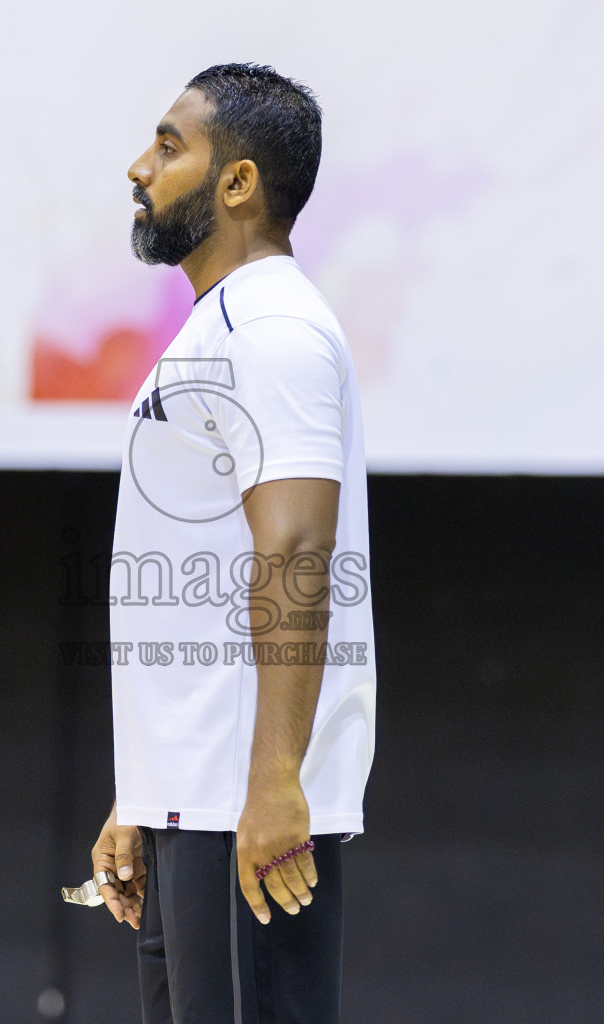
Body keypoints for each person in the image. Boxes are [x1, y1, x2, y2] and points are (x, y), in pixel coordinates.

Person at [88, 64, 377, 1023]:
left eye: (170, 146)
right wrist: (143, 790)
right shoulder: (217, 330)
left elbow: (296, 554)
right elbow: (195, 581)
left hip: (245, 818)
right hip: (195, 804)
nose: (140, 167)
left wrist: (275, 787)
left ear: (239, 183)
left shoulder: (274, 329)